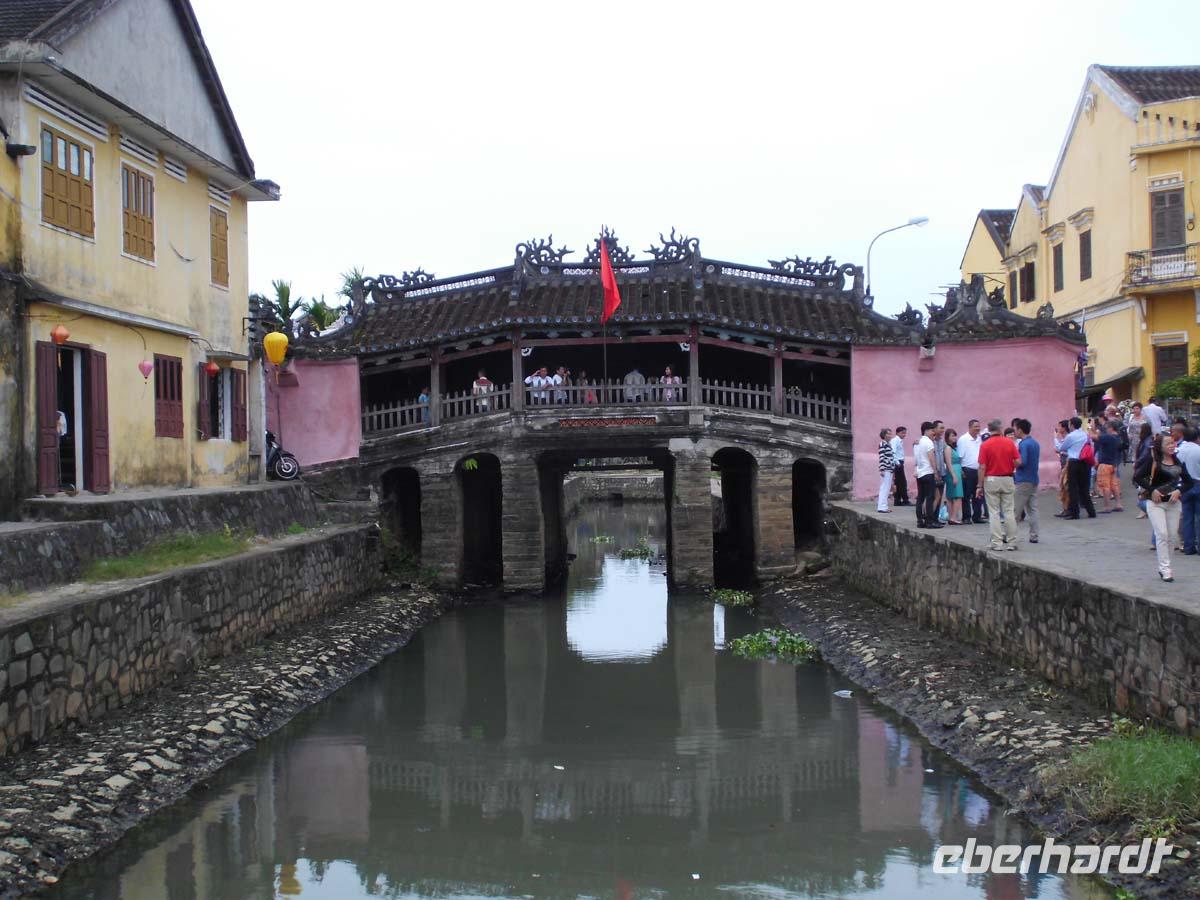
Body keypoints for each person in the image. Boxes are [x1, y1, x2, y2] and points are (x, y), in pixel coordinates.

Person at [1133, 433, 1190, 582]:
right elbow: (1137, 477)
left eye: (1173, 443)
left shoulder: (1178, 461)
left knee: (1172, 536)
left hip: (1174, 503)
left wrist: (1179, 491)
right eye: (1168, 444)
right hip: (1155, 503)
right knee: (1162, 534)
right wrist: (1153, 490)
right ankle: (1165, 569)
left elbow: (1189, 482)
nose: (1172, 446)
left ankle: (1167, 566)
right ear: (1160, 447)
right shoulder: (1153, 461)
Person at [977, 417, 1020, 550]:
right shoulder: (1009, 443)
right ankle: (1012, 542)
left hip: (991, 479)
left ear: (989, 430)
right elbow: (1018, 462)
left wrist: (979, 485)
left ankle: (997, 542)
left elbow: (982, 466)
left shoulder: (985, 445)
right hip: (1008, 478)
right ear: (1000, 428)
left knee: (994, 512)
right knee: (1008, 511)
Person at [1054, 417, 1096, 519]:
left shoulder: (1071, 436)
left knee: (1073, 488)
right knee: (1084, 488)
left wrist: (1055, 438)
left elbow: (1061, 448)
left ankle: (1074, 513)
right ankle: (1091, 511)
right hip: (1085, 462)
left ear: (1071, 425)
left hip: (1074, 462)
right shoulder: (1085, 434)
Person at [1013, 419, 1040, 544]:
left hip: (1023, 480)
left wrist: (1012, 461)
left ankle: (1009, 534)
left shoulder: (1023, 444)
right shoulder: (1035, 443)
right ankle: (1034, 535)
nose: (1014, 432)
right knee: (1032, 509)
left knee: (1015, 509)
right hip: (1033, 478)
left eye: (1015, 429)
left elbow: (1022, 461)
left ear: (1020, 430)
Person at [913, 421, 943, 529]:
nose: (933, 432)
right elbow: (931, 457)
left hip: (920, 473)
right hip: (928, 472)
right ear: (926, 430)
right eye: (931, 430)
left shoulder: (918, 443)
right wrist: (935, 472)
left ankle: (920, 521)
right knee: (930, 497)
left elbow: (916, 459)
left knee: (920, 498)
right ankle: (929, 521)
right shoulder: (928, 442)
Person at [1177, 427, 1200, 556]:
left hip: (1183, 485)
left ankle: (1188, 546)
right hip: (1198, 483)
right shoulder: (1198, 450)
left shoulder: (1178, 451)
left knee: (1186, 517)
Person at [1094, 421, 1124, 513]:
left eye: (1107, 427)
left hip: (1104, 464)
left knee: (1105, 486)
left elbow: (1094, 437)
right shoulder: (1118, 438)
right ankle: (1118, 504)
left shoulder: (1108, 437)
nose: (1106, 429)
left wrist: (1091, 428)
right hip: (1113, 463)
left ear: (1111, 428)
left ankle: (1107, 506)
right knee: (1114, 485)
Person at [958, 419, 983, 524]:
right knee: (967, 495)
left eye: (978, 426)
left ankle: (977, 516)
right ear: (970, 427)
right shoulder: (963, 439)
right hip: (967, 470)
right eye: (975, 426)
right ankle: (966, 517)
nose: (978, 428)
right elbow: (959, 456)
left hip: (979, 470)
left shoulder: (980, 439)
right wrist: (961, 470)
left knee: (978, 494)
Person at [943, 429, 964, 524]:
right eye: (952, 436)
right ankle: (953, 517)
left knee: (952, 495)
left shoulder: (953, 448)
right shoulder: (948, 448)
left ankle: (952, 517)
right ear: (947, 437)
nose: (954, 438)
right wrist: (954, 475)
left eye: (955, 435)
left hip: (957, 470)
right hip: (953, 472)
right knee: (957, 496)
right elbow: (948, 463)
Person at [890, 426, 910, 506]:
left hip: (899, 462)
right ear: (897, 433)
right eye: (902, 433)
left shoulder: (899, 441)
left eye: (905, 433)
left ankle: (898, 500)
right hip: (897, 463)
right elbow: (893, 452)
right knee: (902, 482)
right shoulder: (895, 440)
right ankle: (904, 500)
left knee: (898, 482)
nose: (904, 435)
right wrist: (897, 462)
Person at [877, 428, 895, 513]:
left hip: (890, 469)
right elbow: (882, 457)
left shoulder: (888, 444)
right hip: (886, 469)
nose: (890, 435)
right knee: (884, 488)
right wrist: (882, 469)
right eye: (888, 434)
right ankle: (882, 507)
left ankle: (884, 506)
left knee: (887, 489)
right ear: (884, 435)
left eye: (891, 434)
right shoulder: (882, 444)